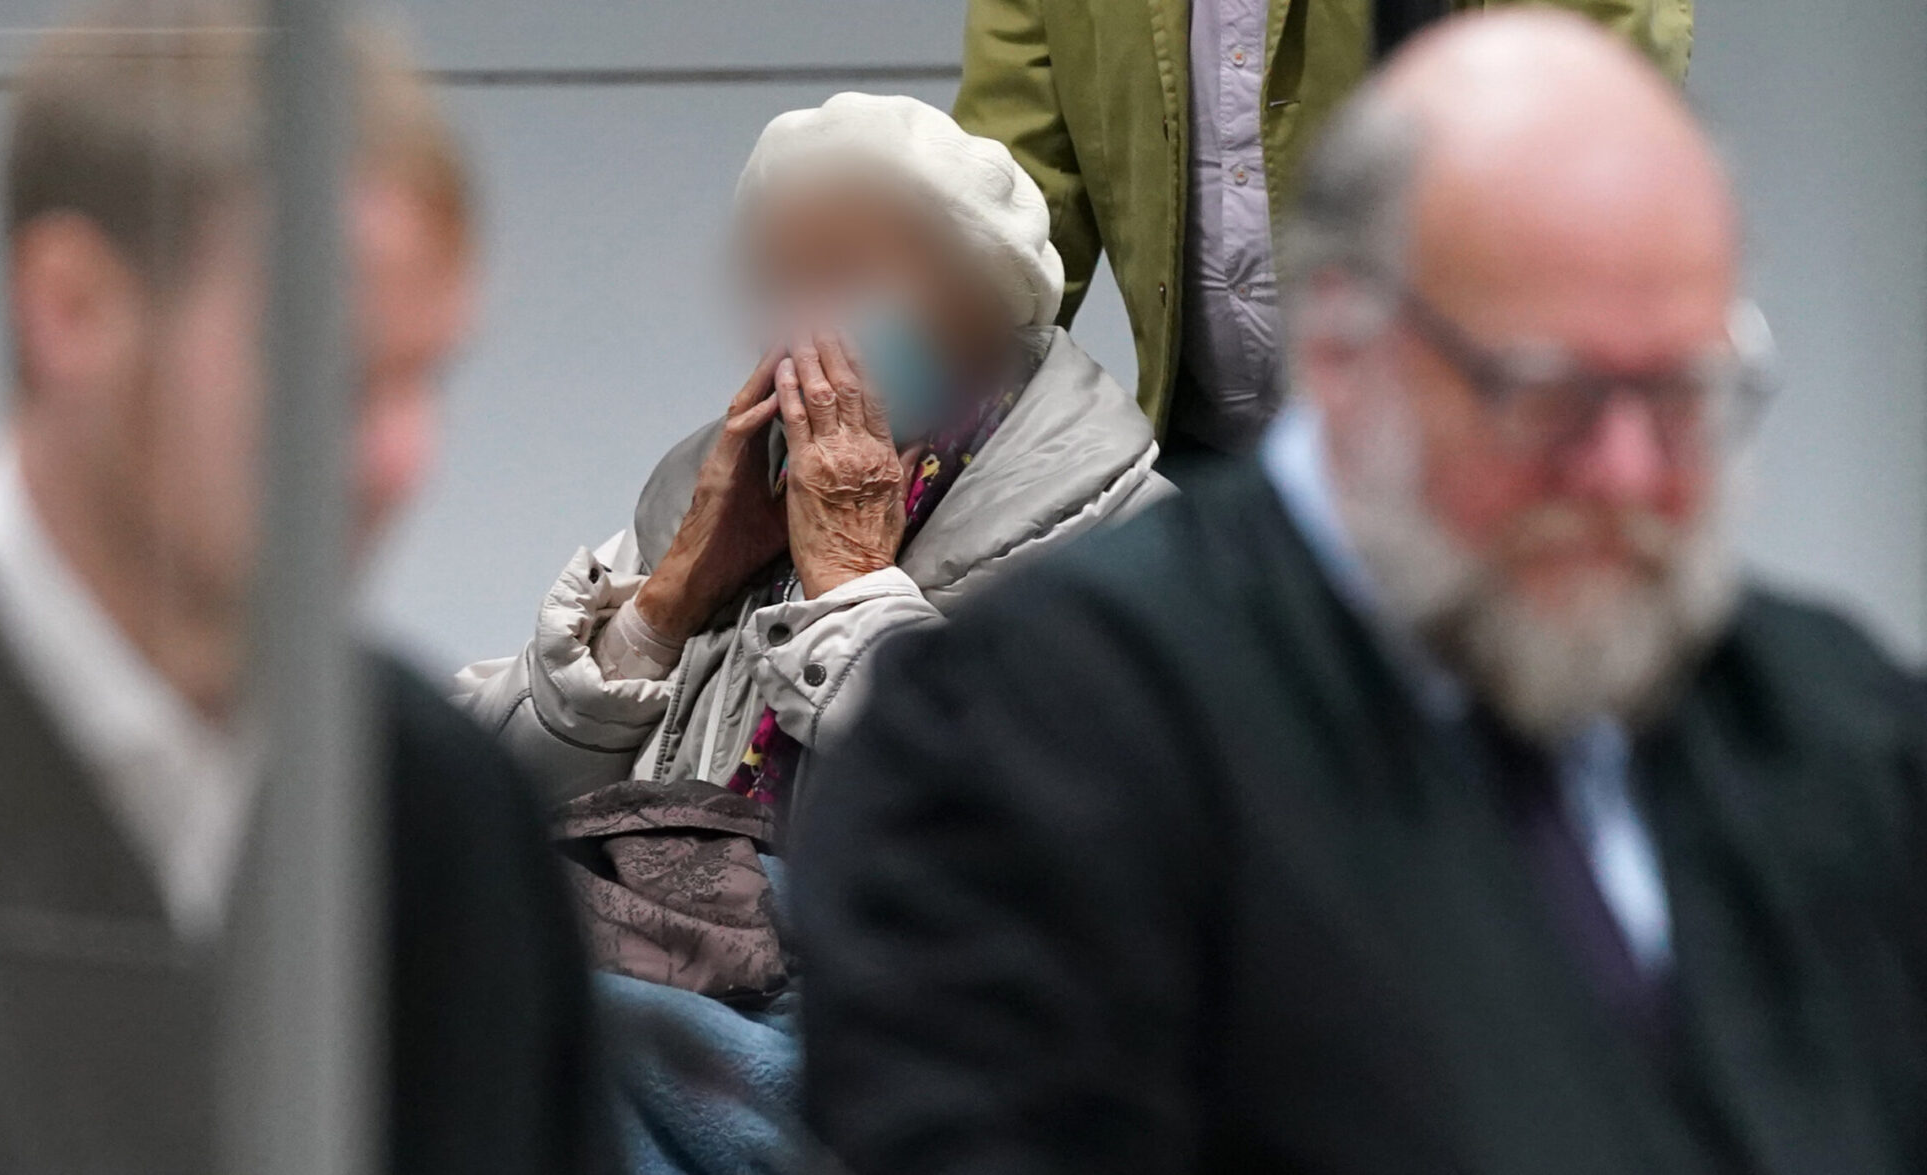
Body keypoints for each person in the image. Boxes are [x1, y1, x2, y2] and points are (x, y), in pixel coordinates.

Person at [798, 12, 1927, 1174]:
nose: (1626, 476)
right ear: (1345, 350)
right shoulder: (1033, 749)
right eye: (1549, 391)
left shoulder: (1844, 739)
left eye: (1688, 394)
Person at [0, 4, 606, 1171]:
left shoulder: (449, 814)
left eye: (427, 379)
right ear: (73, 309)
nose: (403, 460)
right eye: (335, 375)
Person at [456, 92, 1170, 1168]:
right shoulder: (725, 487)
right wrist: (664, 606)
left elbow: (1063, 860)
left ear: (986, 299)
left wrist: (851, 586)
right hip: (679, 993)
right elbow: (487, 799)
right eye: (784, 276)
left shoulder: (1130, 541)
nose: (808, 317)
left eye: (851, 273)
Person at [952, 0, 1694, 457]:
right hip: (1209, 466)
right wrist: (878, 393)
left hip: (1467, 461)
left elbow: (1579, 132)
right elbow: (999, 207)